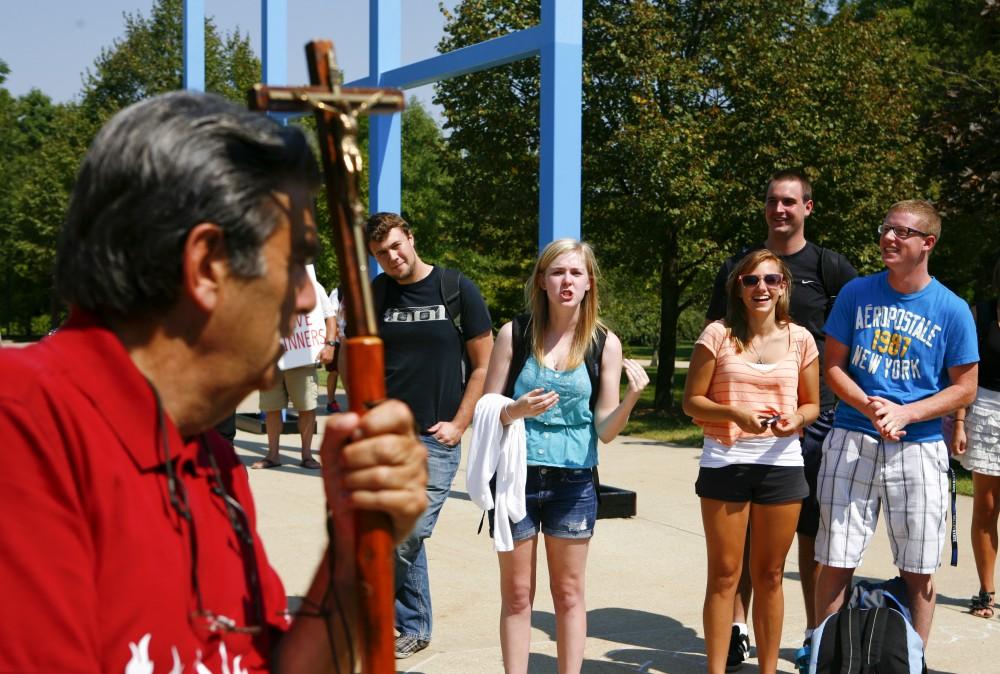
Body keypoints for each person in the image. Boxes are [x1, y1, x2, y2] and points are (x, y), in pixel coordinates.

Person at [0, 91, 427, 674]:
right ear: (207, 264)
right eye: (296, 262)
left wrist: (352, 554)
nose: (306, 298)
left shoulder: (211, 458)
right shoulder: (22, 430)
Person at [705, 169, 856, 670]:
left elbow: (852, 339)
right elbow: (718, 337)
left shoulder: (831, 268)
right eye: (772, 201)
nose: (780, 210)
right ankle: (737, 629)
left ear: (807, 207)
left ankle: (814, 634)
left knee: (808, 534)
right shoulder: (741, 267)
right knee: (739, 546)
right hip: (742, 426)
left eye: (790, 201)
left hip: (816, 423)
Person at [815, 200, 979, 647]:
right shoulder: (856, 293)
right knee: (835, 557)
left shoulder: (952, 308)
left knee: (919, 566)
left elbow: (964, 388)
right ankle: (823, 654)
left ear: (928, 243)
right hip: (852, 437)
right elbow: (833, 367)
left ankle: (914, 658)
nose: (889, 238)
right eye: (886, 229)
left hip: (920, 446)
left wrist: (907, 412)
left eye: (902, 232)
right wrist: (871, 408)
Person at [481, 238, 649, 674]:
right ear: (542, 281)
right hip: (516, 476)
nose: (567, 281)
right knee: (518, 594)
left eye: (576, 273)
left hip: (574, 481)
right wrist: (514, 410)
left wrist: (631, 400)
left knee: (569, 593)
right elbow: (486, 409)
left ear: (590, 282)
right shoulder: (513, 333)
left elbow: (605, 431)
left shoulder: (603, 343)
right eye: (558, 272)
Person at [364, 211, 495, 658]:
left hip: (436, 439)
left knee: (407, 532)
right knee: (401, 534)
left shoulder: (455, 288)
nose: (392, 257)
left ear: (411, 239)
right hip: (386, 440)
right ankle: (414, 625)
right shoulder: (376, 294)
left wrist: (461, 423)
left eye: (397, 246)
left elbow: (484, 364)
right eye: (381, 253)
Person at [686, 250, 820, 674]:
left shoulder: (801, 339)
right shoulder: (718, 335)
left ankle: (767, 670)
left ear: (783, 286)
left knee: (771, 576)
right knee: (725, 574)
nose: (761, 288)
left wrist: (795, 419)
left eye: (771, 280)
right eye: (751, 281)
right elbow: (692, 402)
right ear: (739, 288)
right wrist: (733, 414)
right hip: (726, 462)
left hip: (782, 465)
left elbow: (812, 403)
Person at [950, 255, 1000, 618]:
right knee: (985, 507)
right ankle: (987, 591)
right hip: (985, 410)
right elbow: (965, 371)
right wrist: (959, 421)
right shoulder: (979, 313)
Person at [254, 273, 337, 470]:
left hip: (302, 358)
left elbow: (329, 317)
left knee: (306, 407)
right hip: (271, 360)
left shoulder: (313, 285)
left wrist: (330, 345)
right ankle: (273, 455)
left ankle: (307, 455)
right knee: (271, 407)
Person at [325, 285, 344, 413]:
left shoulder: (363, 289)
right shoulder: (337, 292)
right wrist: (338, 334)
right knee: (334, 372)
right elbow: (331, 316)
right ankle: (331, 401)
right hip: (339, 341)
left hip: (354, 340)